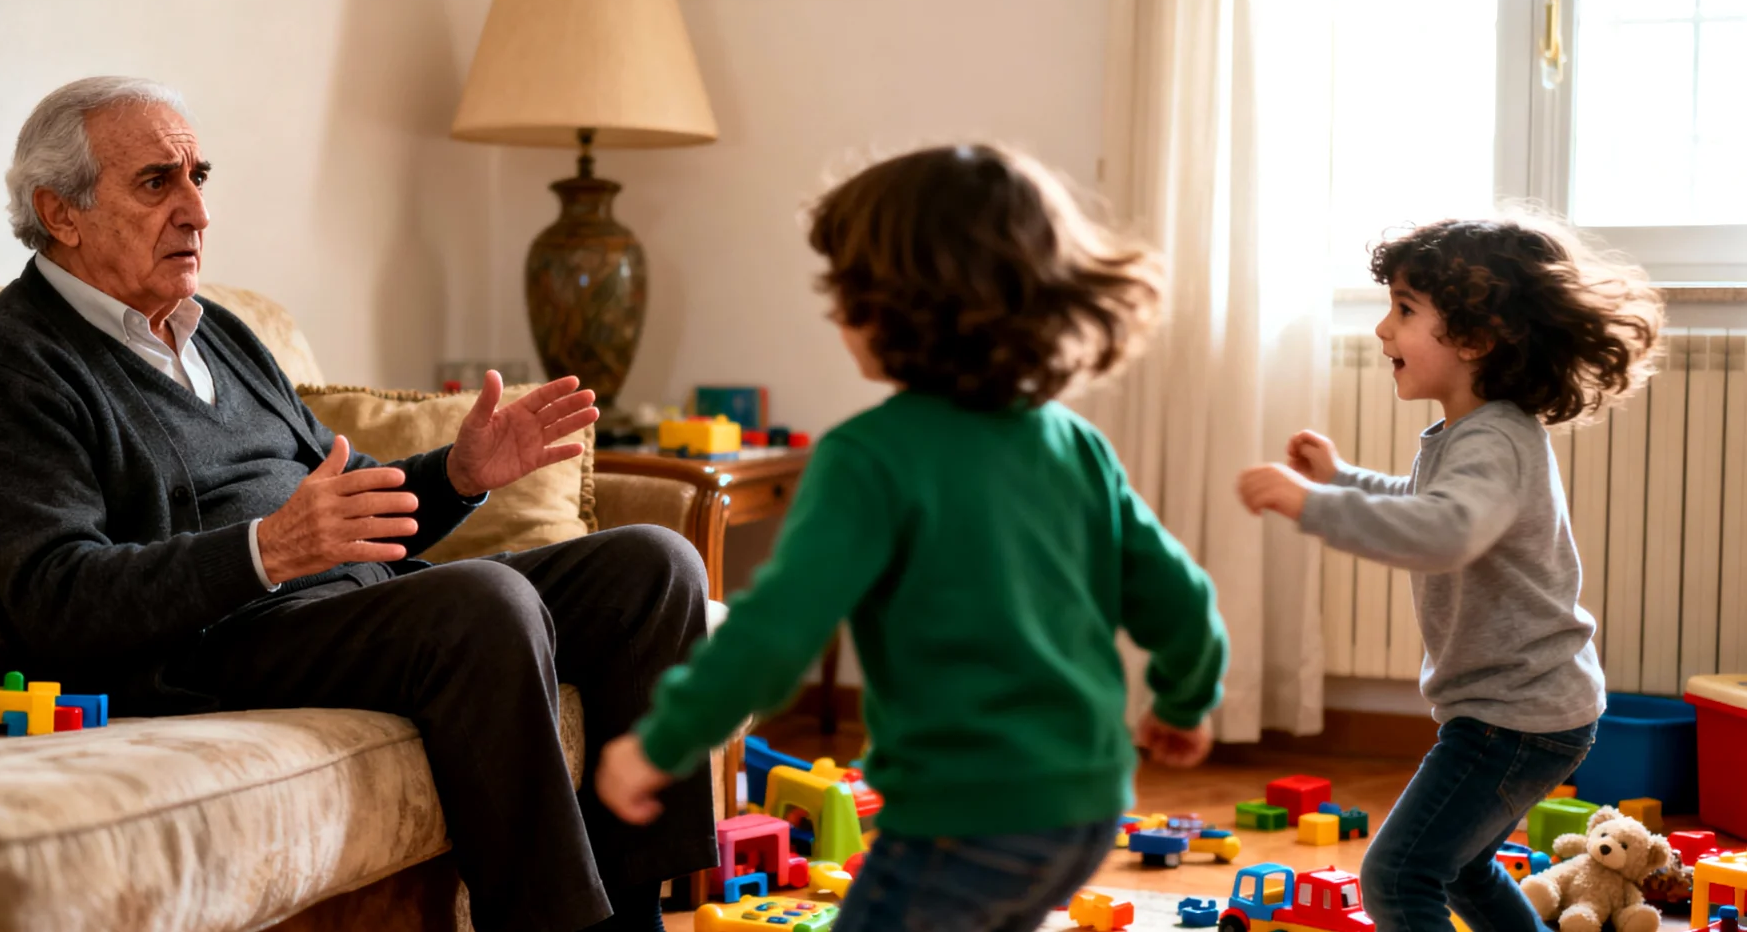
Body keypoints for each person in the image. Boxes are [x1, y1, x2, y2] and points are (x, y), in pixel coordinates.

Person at [0, 76, 715, 932]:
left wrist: (460, 473)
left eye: (200, 175)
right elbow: (58, 595)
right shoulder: (11, 363)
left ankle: (637, 912)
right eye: (158, 182)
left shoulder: (220, 332)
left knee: (654, 568)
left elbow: (355, 506)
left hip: (342, 607)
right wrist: (266, 550)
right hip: (204, 647)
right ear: (62, 213)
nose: (198, 210)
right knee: (483, 602)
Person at [595, 144, 1231, 932]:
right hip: (1087, 801)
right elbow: (1180, 598)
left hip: (964, 816)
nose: (832, 312)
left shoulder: (868, 457)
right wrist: (1184, 699)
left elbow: (774, 633)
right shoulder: (1074, 443)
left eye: (846, 290)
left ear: (902, 303)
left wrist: (663, 740)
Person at [1237, 216, 1663, 932]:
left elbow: (1443, 532)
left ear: (1474, 337)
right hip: (1525, 709)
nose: (1382, 330)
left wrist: (1316, 505)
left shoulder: (1494, 439)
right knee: (1460, 868)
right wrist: (1342, 479)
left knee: (1399, 876)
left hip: (1514, 718)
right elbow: (1425, 506)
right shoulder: (1470, 434)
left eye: (1404, 309)